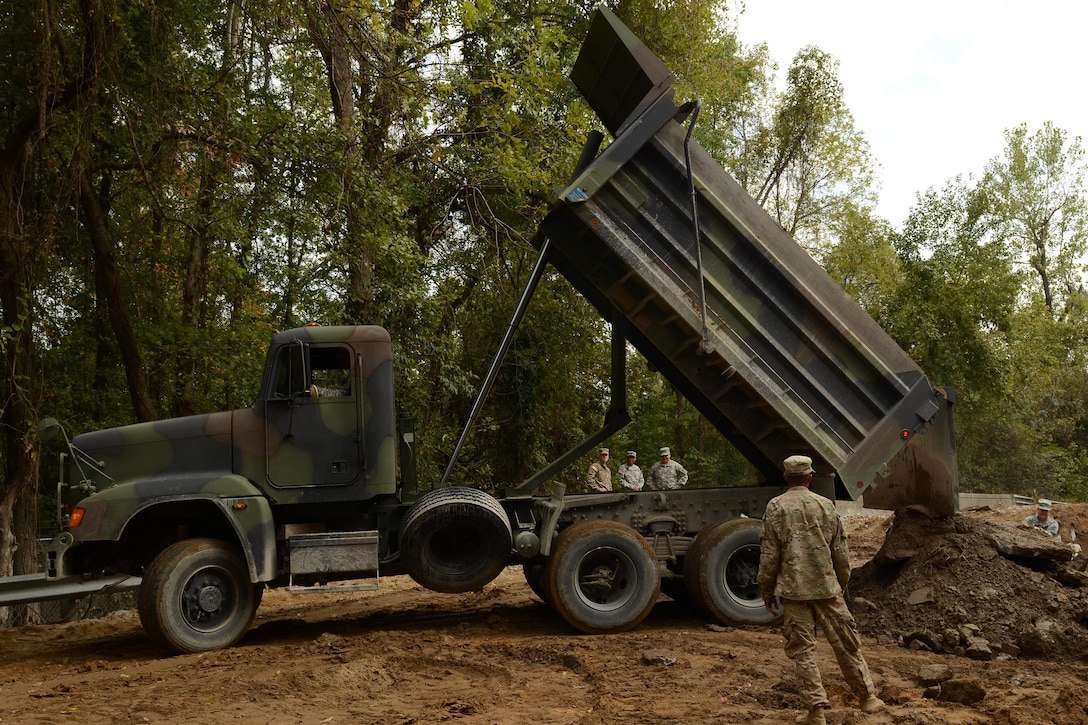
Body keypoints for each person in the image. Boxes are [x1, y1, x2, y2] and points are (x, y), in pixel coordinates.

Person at [757, 455, 884, 724]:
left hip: (794, 592)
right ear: (810, 477)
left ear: (785, 477)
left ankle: (815, 712)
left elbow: (769, 555)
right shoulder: (826, 506)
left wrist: (767, 591)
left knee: (803, 653)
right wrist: (841, 583)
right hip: (827, 589)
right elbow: (841, 553)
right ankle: (868, 699)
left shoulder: (776, 507)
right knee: (847, 644)